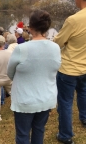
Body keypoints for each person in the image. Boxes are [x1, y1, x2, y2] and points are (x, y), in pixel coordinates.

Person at [7, 9, 61, 144]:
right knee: (39, 130)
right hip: (46, 98)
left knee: (23, 135)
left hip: (25, 100)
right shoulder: (55, 48)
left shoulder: (21, 49)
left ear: (30, 28)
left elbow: (10, 73)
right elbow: (55, 68)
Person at [54, 0, 86, 143]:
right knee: (83, 88)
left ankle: (65, 135)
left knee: (65, 101)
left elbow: (58, 42)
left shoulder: (73, 19)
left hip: (69, 70)